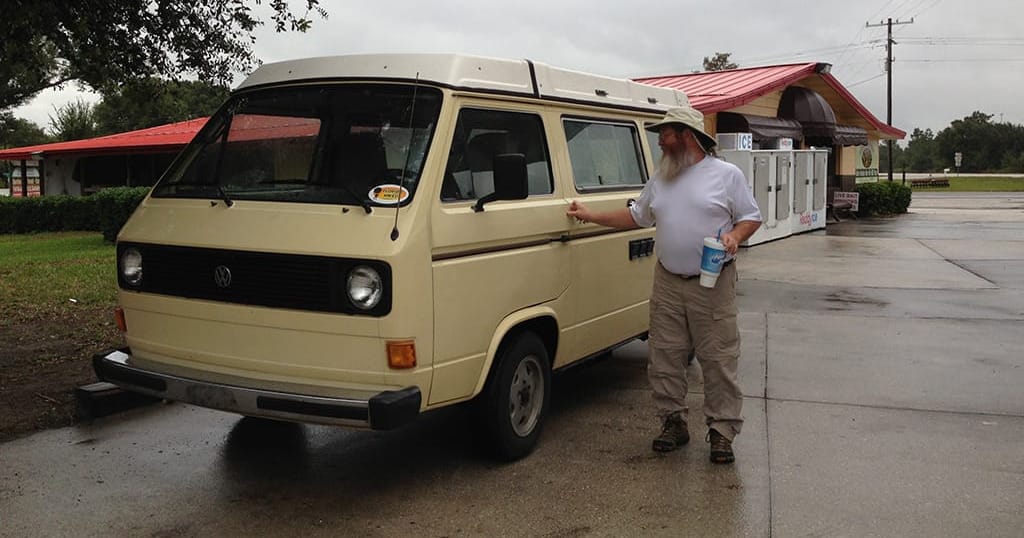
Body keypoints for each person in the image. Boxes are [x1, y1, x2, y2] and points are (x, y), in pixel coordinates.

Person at [566, 106, 761, 463]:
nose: (660, 142)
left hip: (712, 281)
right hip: (668, 279)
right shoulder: (661, 178)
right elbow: (636, 216)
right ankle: (673, 422)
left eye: (665, 135)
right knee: (665, 356)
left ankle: (721, 431)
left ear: (686, 135)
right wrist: (589, 215)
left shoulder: (725, 174)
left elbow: (751, 217)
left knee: (718, 358)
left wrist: (734, 236)